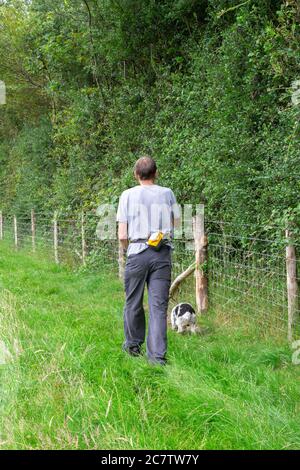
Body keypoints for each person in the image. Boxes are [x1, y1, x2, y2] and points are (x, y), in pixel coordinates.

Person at [117, 156, 180, 365]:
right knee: (158, 306)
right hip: (161, 253)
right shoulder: (167, 193)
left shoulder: (126, 195)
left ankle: (133, 346)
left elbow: (122, 235)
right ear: (156, 173)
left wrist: (130, 251)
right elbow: (177, 224)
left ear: (136, 174)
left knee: (133, 302)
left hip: (136, 251)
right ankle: (157, 358)